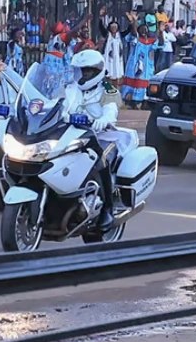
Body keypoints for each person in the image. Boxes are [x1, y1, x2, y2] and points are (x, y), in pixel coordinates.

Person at [69, 49, 135, 231]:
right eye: (80, 71)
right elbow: (55, 103)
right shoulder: (70, 88)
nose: (82, 75)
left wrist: (101, 121)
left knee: (101, 160)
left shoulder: (108, 90)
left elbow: (111, 113)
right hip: (74, 133)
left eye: (87, 71)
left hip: (104, 136)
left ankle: (107, 208)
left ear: (97, 72)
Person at [121, 12, 162, 107]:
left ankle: (144, 101)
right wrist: (133, 22)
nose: (144, 31)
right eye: (141, 29)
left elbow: (160, 42)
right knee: (134, 82)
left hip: (148, 68)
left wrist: (160, 30)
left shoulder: (151, 41)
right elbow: (134, 33)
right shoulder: (135, 39)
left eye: (145, 29)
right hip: (134, 66)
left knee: (146, 84)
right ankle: (132, 101)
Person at [103, 21, 125, 88]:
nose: (114, 28)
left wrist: (132, 22)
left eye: (115, 27)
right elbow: (101, 28)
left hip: (118, 59)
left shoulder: (119, 35)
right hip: (109, 58)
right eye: (112, 27)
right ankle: (108, 88)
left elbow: (128, 31)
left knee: (117, 73)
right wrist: (101, 18)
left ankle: (116, 88)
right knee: (109, 73)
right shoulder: (107, 35)